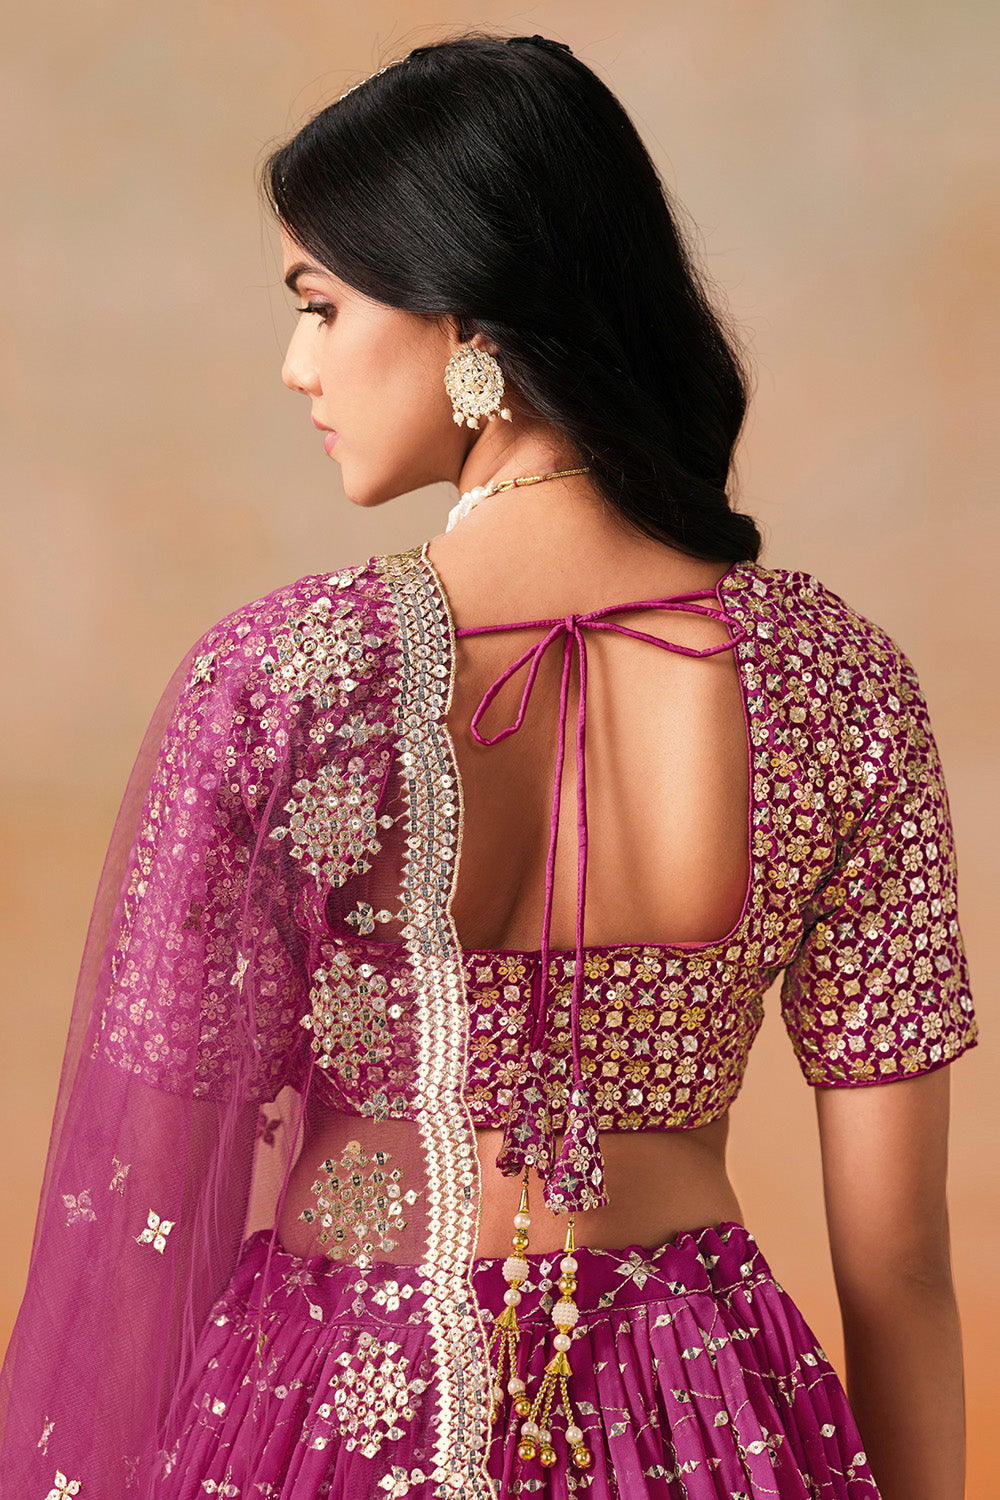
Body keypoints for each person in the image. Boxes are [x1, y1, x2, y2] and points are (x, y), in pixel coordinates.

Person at [0, 29, 977, 1500]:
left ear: (467, 321)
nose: (296, 364)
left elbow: (147, 1229)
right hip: (698, 1413)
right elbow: (898, 1262)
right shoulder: (839, 685)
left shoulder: (282, 686)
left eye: (322, 306)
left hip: (340, 1403)